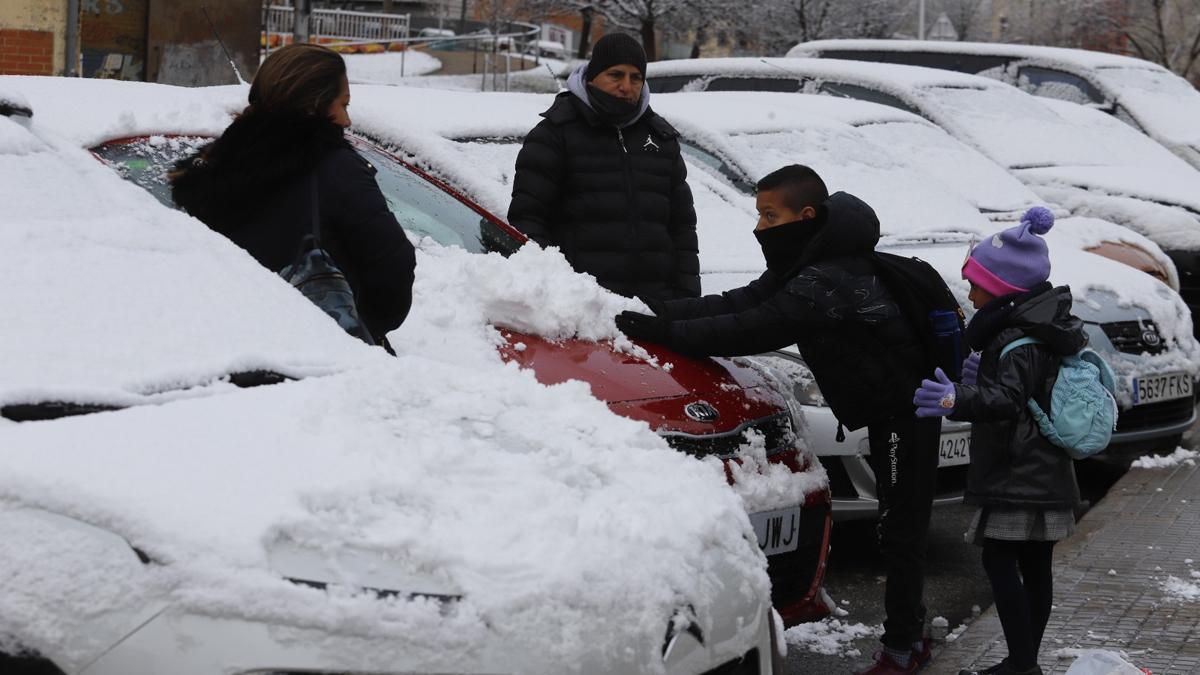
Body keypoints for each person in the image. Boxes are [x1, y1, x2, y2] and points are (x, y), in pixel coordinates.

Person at [615, 165, 941, 675]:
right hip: (890, 408)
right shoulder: (808, 263)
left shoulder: (828, 279)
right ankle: (912, 633)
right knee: (898, 527)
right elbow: (738, 302)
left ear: (805, 217)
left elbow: (748, 328)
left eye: (771, 216)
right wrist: (651, 313)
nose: (760, 227)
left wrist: (661, 330)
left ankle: (905, 645)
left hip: (909, 414)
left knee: (901, 530)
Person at [913, 207, 1081, 675]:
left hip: (1019, 470)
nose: (969, 293)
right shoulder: (1039, 327)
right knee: (1033, 567)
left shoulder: (1019, 338)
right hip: (1042, 468)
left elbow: (1006, 401)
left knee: (1001, 561)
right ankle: (1021, 663)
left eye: (975, 284)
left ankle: (1023, 667)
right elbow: (1023, 389)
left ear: (1002, 288)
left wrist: (956, 399)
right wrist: (982, 375)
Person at [171, 43, 416, 348]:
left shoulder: (215, 167)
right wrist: (364, 323)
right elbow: (393, 263)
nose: (347, 120)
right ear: (315, 104)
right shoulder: (333, 167)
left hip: (234, 350)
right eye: (343, 104)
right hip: (328, 355)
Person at [508, 32, 699, 302]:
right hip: (584, 308)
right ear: (591, 77)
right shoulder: (555, 134)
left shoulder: (659, 138)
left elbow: (682, 228)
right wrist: (556, 293)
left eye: (636, 78)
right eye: (615, 75)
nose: (626, 86)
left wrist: (686, 299)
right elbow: (528, 222)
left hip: (656, 308)